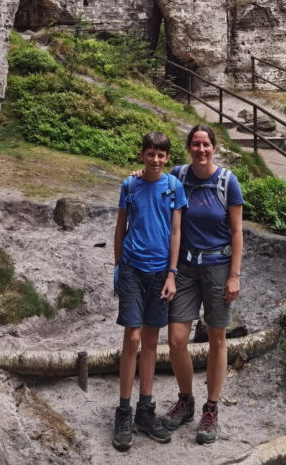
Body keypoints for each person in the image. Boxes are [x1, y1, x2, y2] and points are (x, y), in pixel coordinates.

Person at [162, 124, 244, 445]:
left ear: (214, 147)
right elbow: (158, 190)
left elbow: (237, 232)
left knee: (217, 339)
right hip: (184, 267)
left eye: (206, 144)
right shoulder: (178, 176)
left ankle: (211, 409)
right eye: (196, 144)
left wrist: (234, 275)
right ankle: (186, 401)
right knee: (177, 339)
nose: (201, 149)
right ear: (189, 147)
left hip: (218, 268)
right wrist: (140, 174)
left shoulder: (227, 182)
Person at [112, 131, 187, 452]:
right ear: (141, 154)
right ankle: (124, 411)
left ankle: (145, 409)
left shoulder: (173, 187)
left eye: (161, 155)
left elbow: (176, 231)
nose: (155, 160)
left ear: (167, 158)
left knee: (152, 341)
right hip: (132, 268)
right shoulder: (129, 185)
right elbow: (120, 227)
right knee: (132, 338)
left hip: (160, 272)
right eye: (150, 154)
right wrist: (117, 267)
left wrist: (172, 274)